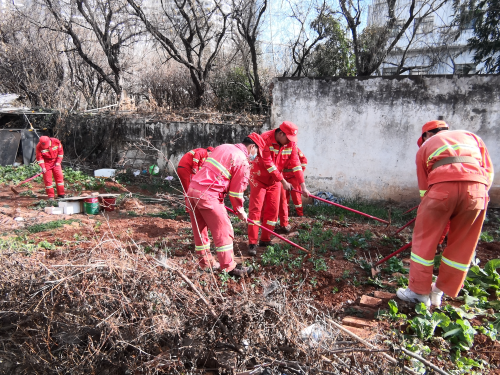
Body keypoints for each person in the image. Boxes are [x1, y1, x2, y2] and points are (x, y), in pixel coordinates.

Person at [397, 120, 494, 307]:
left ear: (426, 135)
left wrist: (437, 221)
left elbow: (425, 189)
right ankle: (439, 291)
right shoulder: (472, 137)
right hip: (477, 192)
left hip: (441, 192)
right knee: (462, 244)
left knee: (424, 241)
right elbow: (488, 173)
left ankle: (418, 293)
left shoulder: (426, 146)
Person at [186, 134, 264, 276]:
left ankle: (205, 264)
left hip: (192, 191)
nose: (256, 156)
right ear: (252, 147)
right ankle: (229, 267)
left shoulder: (224, 146)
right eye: (257, 153)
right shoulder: (242, 160)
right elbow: (236, 192)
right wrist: (240, 210)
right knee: (224, 230)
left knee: (200, 230)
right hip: (209, 195)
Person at [247, 121, 311, 255]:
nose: (289, 142)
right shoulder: (265, 138)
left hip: (275, 181)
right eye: (287, 138)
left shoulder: (291, 144)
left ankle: (265, 239)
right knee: (256, 210)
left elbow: (296, 164)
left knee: (273, 211)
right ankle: (252, 243)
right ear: (281, 133)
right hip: (259, 178)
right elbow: (268, 164)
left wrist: (303, 186)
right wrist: (283, 181)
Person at [277, 147, 308, 233]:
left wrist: (300, 173)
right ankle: (287, 215)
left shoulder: (296, 149)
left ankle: (300, 214)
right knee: (284, 197)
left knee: (296, 197)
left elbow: (304, 161)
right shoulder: (280, 149)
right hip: (283, 176)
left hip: (294, 176)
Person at [35, 136, 65, 200]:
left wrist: (58, 162)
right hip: (46, 163)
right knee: (47, 180)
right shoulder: (39, 147)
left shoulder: (56, 142)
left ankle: (61, 194)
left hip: (55, 161)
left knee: (59, 177)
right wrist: (43, 167)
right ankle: (51, 196)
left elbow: (60, 152)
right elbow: (39, 158)